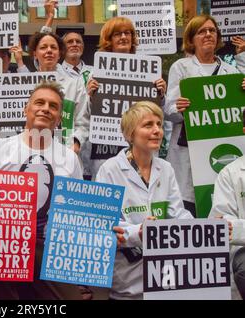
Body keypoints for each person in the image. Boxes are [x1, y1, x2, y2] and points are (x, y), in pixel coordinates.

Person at [0, 81, 84, 300]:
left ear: (59, 119)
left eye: (53, 106)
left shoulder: (69, 158)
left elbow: (78, 211)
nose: (45, 108)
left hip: (49, 248)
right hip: (4, 246)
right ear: (26, 109)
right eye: (39, 102)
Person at [96, 101, 193, 300]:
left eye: (159, 124)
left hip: (165, 277)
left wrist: (204, 228)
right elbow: (105, 225)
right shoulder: (110, 169)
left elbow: (178, 214)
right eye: (148, 125)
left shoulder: (165, 168)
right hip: (127, 279)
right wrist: (139, 232)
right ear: (130, 133)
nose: (157, 130)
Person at [164, 14, 245, 217]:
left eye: (212, 31)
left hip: (220, 147)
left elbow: (239, 115)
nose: (208, 34)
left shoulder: (231, 72)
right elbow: (168, 110)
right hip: (188, 150)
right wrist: (178, 108)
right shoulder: (181, 68)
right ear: (191, 39)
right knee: (190, 205)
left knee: (219, 199)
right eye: (202, 31)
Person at [82, 16, 168, 181]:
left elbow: (157, 114)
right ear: (109, 40)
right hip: (105, 146)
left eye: (127, 33)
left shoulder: (149, 71)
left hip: (138, 146)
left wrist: (161, 96)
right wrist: (92, 98)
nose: (123, 37)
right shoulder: (96, 73)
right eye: (117, 34)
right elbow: (87, 115)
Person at [27, 32, 88, 153]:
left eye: (53, 47)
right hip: (28, 151)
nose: (49, 51)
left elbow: (83, 122)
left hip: (64, 152)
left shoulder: (75, 84)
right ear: (35, 54)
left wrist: (76, 143)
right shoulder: (22, 84)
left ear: (60, 54)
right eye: (43, 47)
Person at [209, 155, 245, 300]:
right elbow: (224, 224)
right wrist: (237, 230)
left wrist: (239, 228)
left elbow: (234, 228)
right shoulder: (230, 173)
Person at [40, 0, 92, 85]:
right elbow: (40, 47)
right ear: (62, 48)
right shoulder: (54, 70)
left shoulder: (94, 72)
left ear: (83, 47)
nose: (74, 44)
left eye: (78, 42)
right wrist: (50, 17)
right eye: (70, 42)